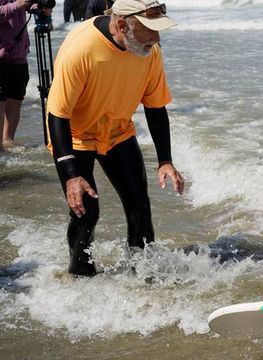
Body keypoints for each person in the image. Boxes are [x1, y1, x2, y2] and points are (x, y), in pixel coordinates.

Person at [46, 0, 184, 276]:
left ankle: (141, 275)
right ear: (123, 25)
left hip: (118, 132)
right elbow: (58, 115)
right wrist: (72, 174)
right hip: (75, 135)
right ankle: (79, 275)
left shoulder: (148, 51)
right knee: (87, 213)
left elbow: (155, 107)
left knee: (140, 207)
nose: (157, 39)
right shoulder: (81, 50)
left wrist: (165, 160)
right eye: (151, 30)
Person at [0, 0, 31, 151]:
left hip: (19, 55)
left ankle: (8, 143)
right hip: (0, 57)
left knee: (15, 101)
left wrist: (40, 8)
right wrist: (16, 5)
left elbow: (25, 7)